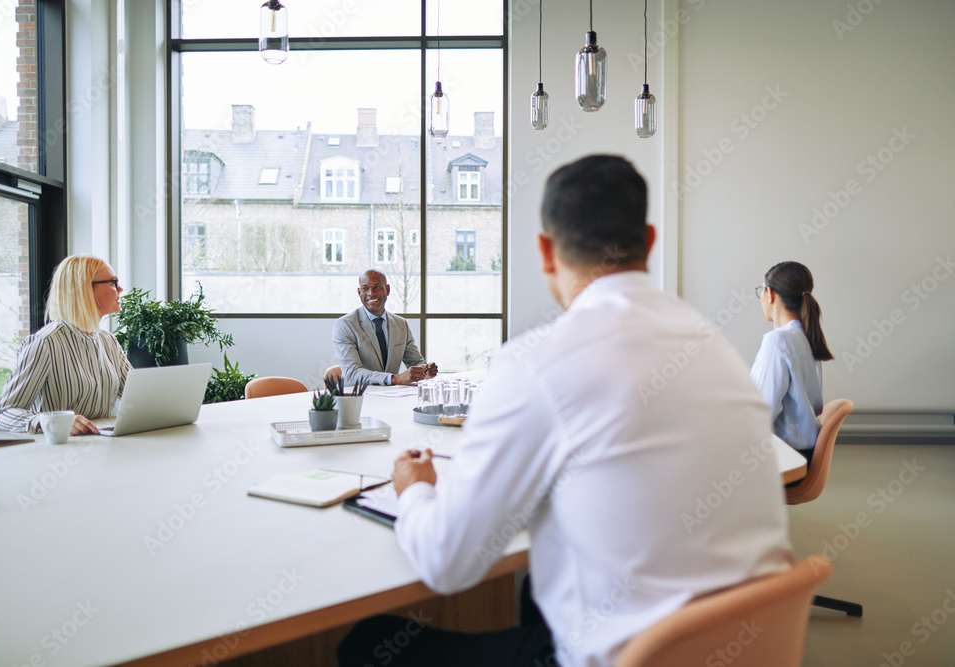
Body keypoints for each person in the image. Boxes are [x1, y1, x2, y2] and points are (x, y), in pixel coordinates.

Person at [337, 155, 792, 667]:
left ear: (546, 251)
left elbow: (447, 563)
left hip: (629, 658)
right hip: (750, 644)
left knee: (369, 643)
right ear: (649, 239)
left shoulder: (536, 364)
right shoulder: (715, 349)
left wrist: (414, 485)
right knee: (537, 586)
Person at [0, 255, 131, 435]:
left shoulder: (109, 341)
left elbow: (137, 396)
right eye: (113, 282)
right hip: (56, 449)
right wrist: (46, 421)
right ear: (84, 289)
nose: (120, 288)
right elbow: (3, 413)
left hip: (99, 446)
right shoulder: (45, 343)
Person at [750, 261, 833, 460]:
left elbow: (760, 415)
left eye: (761, 291)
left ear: (769, 294)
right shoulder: (805, 336)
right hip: (802, 453)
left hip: (783, 456)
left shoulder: (777, 341)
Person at [332, 269, 437, 386]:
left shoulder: (401, 324)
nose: (371, 293)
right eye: (365, 288)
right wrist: (394, 378)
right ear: (359, 292)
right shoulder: (345, 325)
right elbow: (352, 372)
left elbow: (416, 361)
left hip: (391, 396)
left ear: (387, 290)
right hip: (358, 397)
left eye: (377, 287)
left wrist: (425, 370)